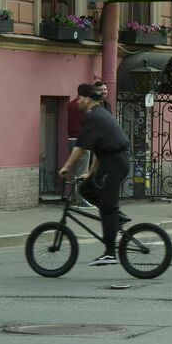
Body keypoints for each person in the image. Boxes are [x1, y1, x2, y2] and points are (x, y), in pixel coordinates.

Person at [59, 84, 130, 266]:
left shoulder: (93, 116)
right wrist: (90, 173)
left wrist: (66, 167)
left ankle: (109, 253)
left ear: (87, 99)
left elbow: (81, 148)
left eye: (80, 98)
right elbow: (99, 148)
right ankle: (118, 217)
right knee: (86, 188)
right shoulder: (100, 113)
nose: (78, 101)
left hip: (114, 165)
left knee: (107, 209)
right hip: (111, 163)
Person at [67, 85, 93, 207]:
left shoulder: (71, 104)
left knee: (73, 171)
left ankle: (72, 197)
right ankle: (80, 200)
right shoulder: (84, 106)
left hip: (71, 139)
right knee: (82, 171)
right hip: (82, 140)